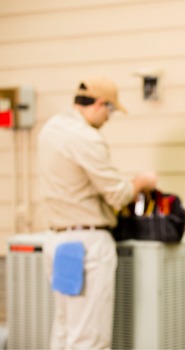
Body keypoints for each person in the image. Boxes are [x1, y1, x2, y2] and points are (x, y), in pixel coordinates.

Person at [38, 76, 158, 349]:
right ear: (100, 104)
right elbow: (117, 194)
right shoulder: (86, 137)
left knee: (65, 330)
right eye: (111, 110)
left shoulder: (51, 129)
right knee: (89, 339)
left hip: (58, 242)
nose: (108, 118)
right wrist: (140, 182)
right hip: (87, 246)